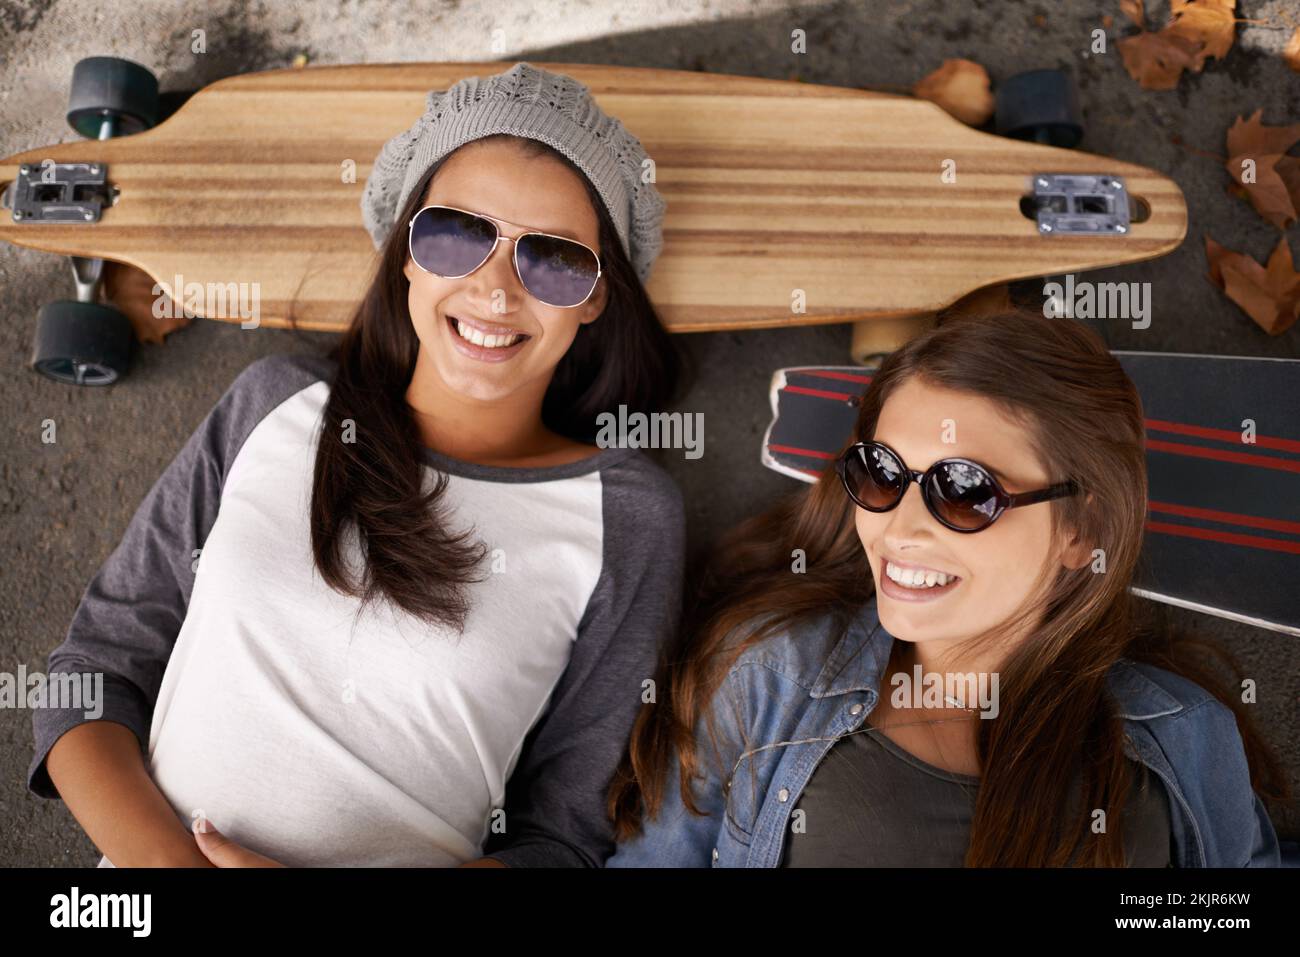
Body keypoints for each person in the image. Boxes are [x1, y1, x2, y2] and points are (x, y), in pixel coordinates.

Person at [29, 62, 687, 868]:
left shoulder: (626, 515)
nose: (495, 290)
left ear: (595, 296)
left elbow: (561, 841)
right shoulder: (275, 403)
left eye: (552, 260)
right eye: (456, 234)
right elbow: (92, 672)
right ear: (406, 251)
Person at [607, 309, 1286, 867]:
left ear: (1084, 529)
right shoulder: (768, 676)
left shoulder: (1188, 735)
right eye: (881, 473)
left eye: (963, 490)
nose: (898, 528)